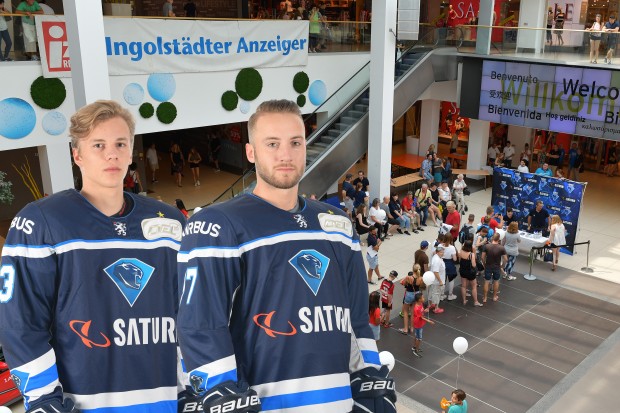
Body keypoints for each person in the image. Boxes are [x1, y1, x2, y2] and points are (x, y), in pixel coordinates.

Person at [177, 100, 394, 413]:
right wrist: (219, 389)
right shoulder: (218, 225)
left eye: (295, 143)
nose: (285, 155)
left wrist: (367, 375)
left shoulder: (337, 225)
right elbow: (200, 325)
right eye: (272, 144)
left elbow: (356, 319)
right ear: (251, 152)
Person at [0, 100, 185, 412]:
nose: (111, 153)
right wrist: (43, 398)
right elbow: (20, 320)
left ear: (130, 153)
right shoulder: (43, 222)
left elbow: (197, 313)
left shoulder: (171, 223)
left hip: (164, 400)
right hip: (82, 402)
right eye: (98, 144)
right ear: (77, 154)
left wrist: (199, 383)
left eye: (120, 143)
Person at [481, 233, 507, 303]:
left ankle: (485, 298)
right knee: (496, 281)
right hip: (497, 267)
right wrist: (502, 266)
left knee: (486, 281)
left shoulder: (486, 246)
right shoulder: (501, 247)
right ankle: (494, 297)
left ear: (492, 238)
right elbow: (506, 259)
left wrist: (484, 264)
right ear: (498, 239)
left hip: (488, 266)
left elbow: (482, 257)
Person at [459, 240, 482, 307]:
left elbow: (460, 260)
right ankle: (476, 301)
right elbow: (474, 265)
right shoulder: (471, 255)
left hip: (463, 271)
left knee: (463, 286)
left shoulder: (461, 251)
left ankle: (464, 300)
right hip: (470, 272)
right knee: (474, 287)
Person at [411, 292, 434, 358]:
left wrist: (425, 311)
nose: (424, 298)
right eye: (422, 297)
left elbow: (421, 312)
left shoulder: (420, 304)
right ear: (419, 300)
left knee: (416, 336)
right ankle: (416, 350)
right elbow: (421, 317)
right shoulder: (416, 308)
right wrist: (429, 321)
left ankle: (414, 347)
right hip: (418, 324)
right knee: (419, 338)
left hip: (419, 323)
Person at [429, 245, 446, 314]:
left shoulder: (436, 257)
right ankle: (436, 308)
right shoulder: (437, 260)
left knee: (432, 292)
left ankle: (431, 304)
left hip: (434, 280)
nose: (443, 253)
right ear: (437, 252)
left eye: (443, 252)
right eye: (441, 252)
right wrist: (440, 281)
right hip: (437, 281)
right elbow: (436, 272)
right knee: (437, 293)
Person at [442, 233, 458, 301]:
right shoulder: (452, 247)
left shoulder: (440, 245)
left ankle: (442, 295)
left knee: (443, 280)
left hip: (442, 263)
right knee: (451, 279)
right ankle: (450, 295)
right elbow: (455, 259)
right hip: (450, 264)